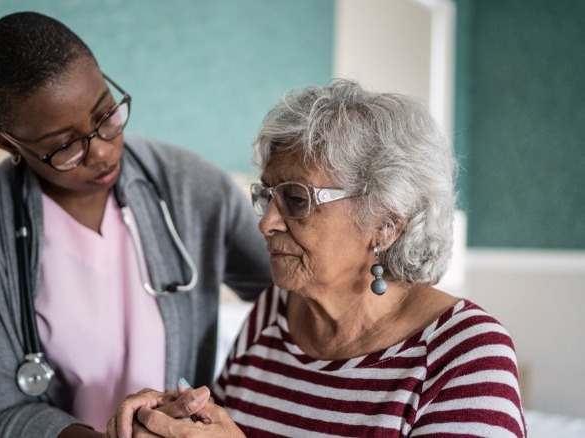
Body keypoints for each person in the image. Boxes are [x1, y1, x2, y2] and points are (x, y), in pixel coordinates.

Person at [107, 79, 527, 437]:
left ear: (385, 223)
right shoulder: (275, 312)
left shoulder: (466, 354)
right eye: (267, 195)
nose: (266, 223)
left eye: (295, 198)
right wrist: (175, 417)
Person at [0, 11, 272, 438]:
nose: (102, 153)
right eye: (66, 146)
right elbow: (0, 411)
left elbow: (293, 297)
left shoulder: (194, 189)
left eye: (106, 115)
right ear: (6, 142)